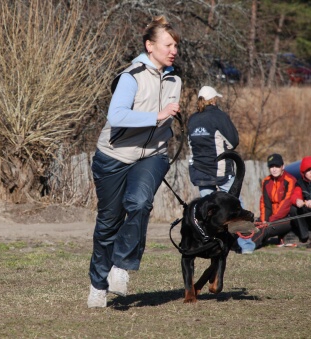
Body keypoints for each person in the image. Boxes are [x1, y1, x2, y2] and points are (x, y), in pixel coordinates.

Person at [87, 16, 182, 308]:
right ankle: (97, 284)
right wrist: (156, 115)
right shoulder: (131, 76)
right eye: (168, 44)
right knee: (108, 223)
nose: (174, 50)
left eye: (176, 45)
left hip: (152, 155)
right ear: (149, 46)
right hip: (114, 157)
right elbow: (116, 116)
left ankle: (121, 266)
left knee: (139, 203)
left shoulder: (175, 79)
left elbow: (167, 116)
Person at [235, 154, 297, 254]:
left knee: (265, 229)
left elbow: (286, 204)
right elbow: (264, 202)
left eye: (277, 166)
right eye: (271, 167)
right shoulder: (266, 181)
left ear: (282, 167)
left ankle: (249, 246)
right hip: (270, 217)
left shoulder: (290, 180)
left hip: (286, 218)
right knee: (252, 225)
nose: (274, 169)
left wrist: (270, 221)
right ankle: (238, 244)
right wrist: (264, 219)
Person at [187, 86, 239, 197]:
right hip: (221, 171)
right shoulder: (219, 116)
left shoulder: (192, 119)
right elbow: (233, 142)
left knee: (208, 208)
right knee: (235, 205)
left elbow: (190, 144)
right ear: (213, 100)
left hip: (200, 172)